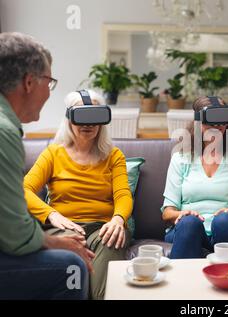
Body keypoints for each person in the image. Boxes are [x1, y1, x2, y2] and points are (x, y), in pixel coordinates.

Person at [0, 32, 94, 299]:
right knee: (70, 267)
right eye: (49, 82)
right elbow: (15, 236)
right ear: (29, 82)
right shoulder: (4, 131)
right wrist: (57, 240)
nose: (49, 93)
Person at [23, 90, 133, 299]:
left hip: (103, 229)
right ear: (69, 118)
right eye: (81, 116)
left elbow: (123, 195)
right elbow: (24, 189)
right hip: (64, 227)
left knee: (112, 242)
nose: (88, 124)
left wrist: (118, 219)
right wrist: (51, 214)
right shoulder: (53, 153)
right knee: (72, 256)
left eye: (94, 116)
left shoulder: (114, 156)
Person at [162, 96, 228, 259]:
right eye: (211, 121)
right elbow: (167, 213)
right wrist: (183, 213)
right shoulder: (180, 159)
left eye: (222, 120)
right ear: (198, 123)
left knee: (223, 220)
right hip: (189, 229)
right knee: (189, 223)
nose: (217, 126)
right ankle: (180, 283)